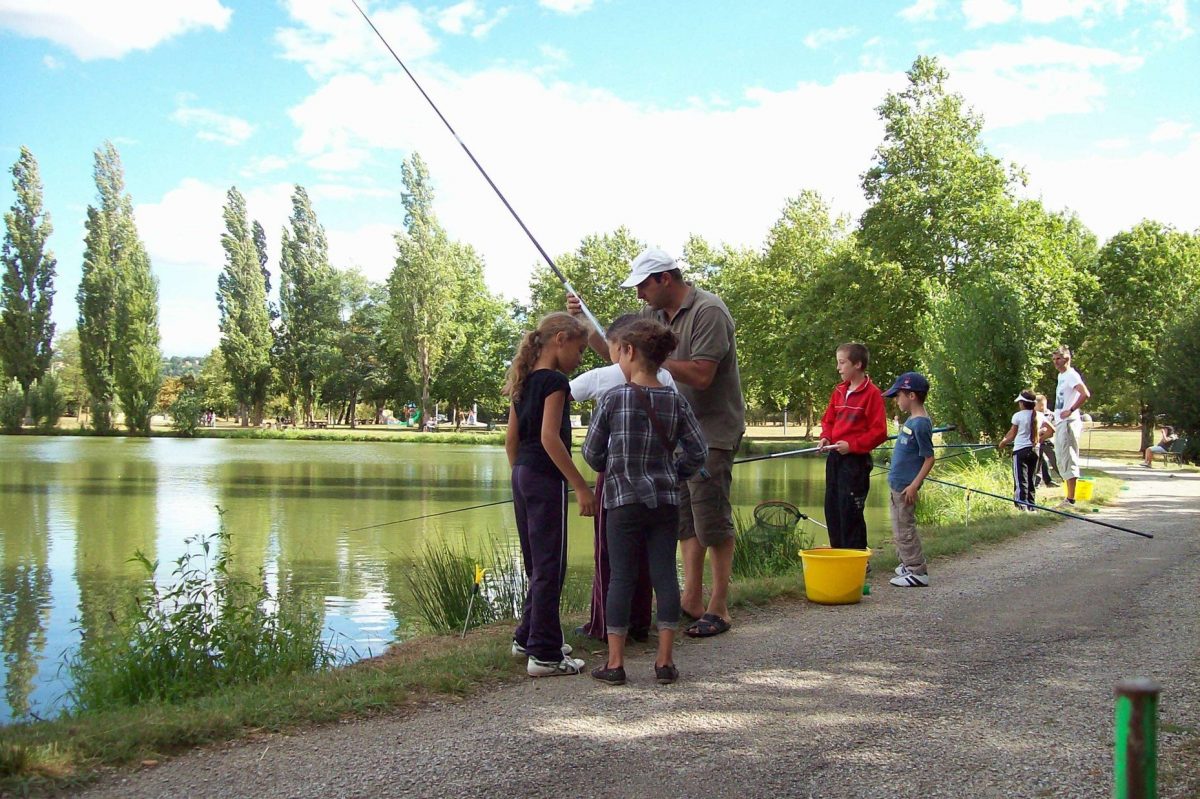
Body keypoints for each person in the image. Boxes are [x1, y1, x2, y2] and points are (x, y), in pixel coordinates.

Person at [569, 248, 745, 639]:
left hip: (711, 429)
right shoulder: (651, 318)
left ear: (665, 278)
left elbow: (701, 375)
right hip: (666, 435)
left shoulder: (708, 312)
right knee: (684, 519)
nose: (638, 296)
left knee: (711, 517)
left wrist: (651, 359)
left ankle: (719, 607)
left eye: (643, 285)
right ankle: (691, 600)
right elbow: (623, 359)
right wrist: (585, 320)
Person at [583, 319, 708, 685]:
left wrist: (616, 466)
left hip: (623, 501)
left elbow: (591, 453)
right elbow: (697, 452)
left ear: (630, 352)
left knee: (621, 577)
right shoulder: (676, 400)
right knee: (665, 576)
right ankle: (665, 662)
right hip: (666, 501)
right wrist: (673, 471)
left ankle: (616, 662)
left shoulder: (613, 398)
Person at [570, 314, 677, 642]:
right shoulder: (668, 380)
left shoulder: (604, 380)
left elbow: (564, 394)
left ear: (625, 348)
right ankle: (641, 624)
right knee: (655, 562)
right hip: (663, 486)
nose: (611, 354)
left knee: (612, 561)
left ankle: (606, 628)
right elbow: (689, 446)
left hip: (616, 484)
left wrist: (606, 463)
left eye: (613, 347)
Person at [503, 312, 596, 677]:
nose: (580, 359)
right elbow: (549, 437)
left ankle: (529, 636)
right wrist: (580, 485)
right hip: (544, 478)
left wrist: (520, 476)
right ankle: (544, 654)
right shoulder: (556, 381)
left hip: (522, 475)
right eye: (580, 349)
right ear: (560, 339)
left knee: (536, 565)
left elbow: (511, 441)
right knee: (550, 567)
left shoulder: (524, 381)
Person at [817, 343, 888, 550]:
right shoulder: (838, 391)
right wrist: (825, 438)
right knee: (832, 508)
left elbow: (879, 432)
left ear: (857, 364)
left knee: (850, 509)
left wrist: (853, 446)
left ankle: (857, 558)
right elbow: (828, 421)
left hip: (855, 460)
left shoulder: (872, 394)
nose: (838, 368)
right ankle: (839, 555)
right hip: (835, 458)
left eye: (842, 363)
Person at [881, 372, 935, 587]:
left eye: (898, 395)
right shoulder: (912, 420)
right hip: (897, 486)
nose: (896, 400)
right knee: (897, 527)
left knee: (905, 529)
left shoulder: (921, 424)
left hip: (905, 488)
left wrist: (914, 485)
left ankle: (917, 571)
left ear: (911, 395)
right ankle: (906, 563)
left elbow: (929, 459)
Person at [1050, 346, 1091, 508]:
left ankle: (1071, 499)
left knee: (1068, 458)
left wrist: (1071, 410)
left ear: (1067, 359)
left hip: (1068, 423)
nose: (1055, 362)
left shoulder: (1071, 375)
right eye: (1054, 359)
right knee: (1061, 458)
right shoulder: (1062, 376)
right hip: (1060, 422)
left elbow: (1085, 393)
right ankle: (1068, 496)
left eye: (1058, 359)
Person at [998, 390, 1041, 511]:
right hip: (1035, 451)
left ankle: (1021, 506)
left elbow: (1012, 434)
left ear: (1022, 403)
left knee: (1020, 480)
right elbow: (1050, 430)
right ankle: (1032, 507)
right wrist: (1039, 439)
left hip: (1020, 451)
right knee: (1031, 479)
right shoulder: (1039, 415)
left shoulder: (1018, 416)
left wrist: (1002, 443)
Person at [1034, 394, 1060, 487]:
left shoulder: (1051, 415)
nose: (1040, 407)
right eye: (1038, 405)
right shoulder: (1033, 414)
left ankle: (1066, 478)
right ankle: (1038, 482)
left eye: (1042, 405)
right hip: (1037, 441)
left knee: (1055, 460)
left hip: (1048, 441)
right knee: (1038, 462)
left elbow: (1054, 428)